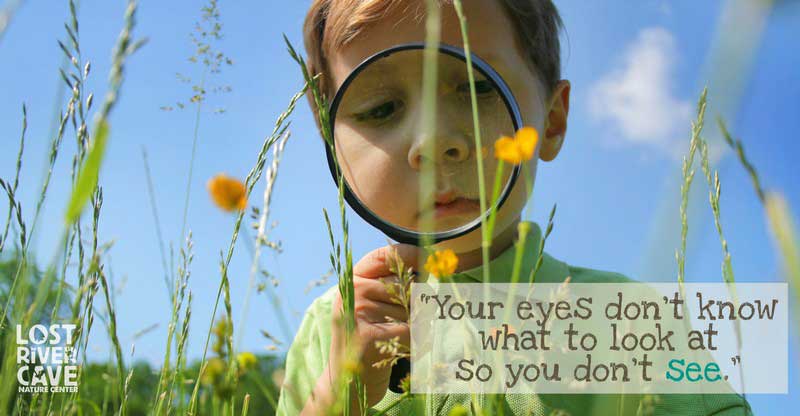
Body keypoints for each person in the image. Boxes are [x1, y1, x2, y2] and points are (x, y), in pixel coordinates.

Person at [277, 1, 753, 414]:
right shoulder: (331, 326)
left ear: (551, 120)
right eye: (381, 108)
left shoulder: (624, 314)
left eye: (476, 86)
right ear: (334, 145)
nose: (434, 141)